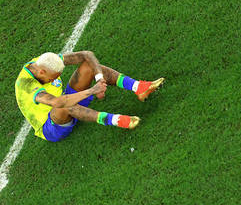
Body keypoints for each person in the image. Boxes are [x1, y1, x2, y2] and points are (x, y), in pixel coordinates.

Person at [15, 51, 164, 142]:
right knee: (64, 104)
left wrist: (99, 79)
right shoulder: (26, 85)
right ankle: (113, 120)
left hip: (67, 103)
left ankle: (139, 88)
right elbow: (57, 102)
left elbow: (87, 55)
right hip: (52, 127)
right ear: (41, 72)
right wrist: (92, 90)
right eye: (52, 78)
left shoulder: (46, 61)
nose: (55, 81)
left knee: (88, 65)